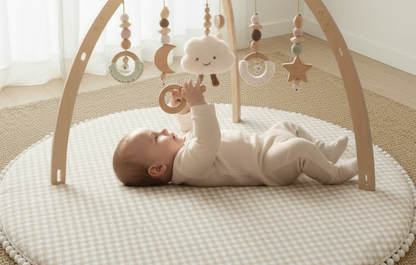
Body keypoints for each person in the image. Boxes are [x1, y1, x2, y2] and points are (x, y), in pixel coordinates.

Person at [113, 79, 358, 187]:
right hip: (267, 166)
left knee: (286, 126)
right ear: (157, 169)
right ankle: (335, 174)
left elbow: (190, 128)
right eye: (156, 137)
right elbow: (208, 139)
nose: (164, 130)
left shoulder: (182, 149)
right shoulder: (186, 168)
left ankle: (324, 154)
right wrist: (198, 103)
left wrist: (186, 106)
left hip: (263, 144)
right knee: (299, 149)